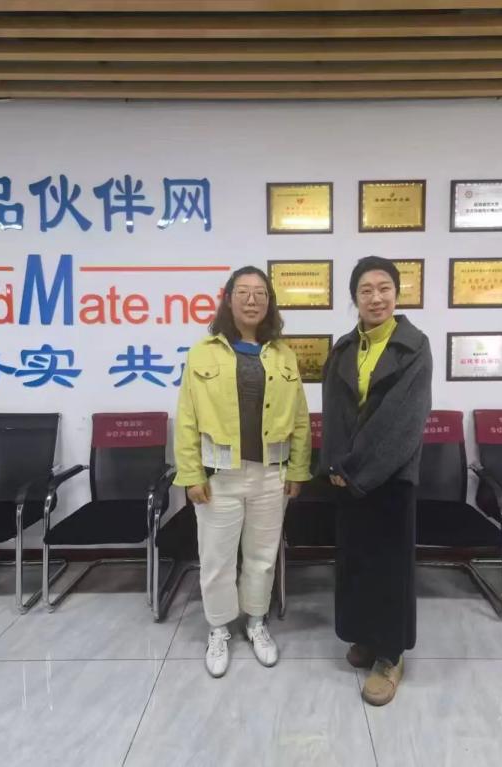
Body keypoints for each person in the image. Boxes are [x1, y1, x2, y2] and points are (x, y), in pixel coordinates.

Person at [174, 265, 311, 678]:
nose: (252, 300)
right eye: (243, 292)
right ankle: (219, 628)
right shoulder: (203, 353)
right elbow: (187, 419)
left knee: (262, 557)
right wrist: (191, 474)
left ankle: (255, 622)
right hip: (220, 476)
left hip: (271, 474)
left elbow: (300, 418)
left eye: (260, 293)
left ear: (270, 303)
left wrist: (298, 469)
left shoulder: (283, 355)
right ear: (229, 299)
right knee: (216, 558)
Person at [319, 256, 433, 706]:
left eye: (384, 288)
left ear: (397, 293)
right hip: (348, 476)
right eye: (365, 290)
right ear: (355, 298)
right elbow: (333, 413)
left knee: (389, 569)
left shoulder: (413, 347)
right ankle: (365, 636)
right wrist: (335, 467)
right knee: (356, 562)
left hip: (391, 477)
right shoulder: (344, 348)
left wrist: (357, 471)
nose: (376, 298)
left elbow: (402, 421)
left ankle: (390, 655)